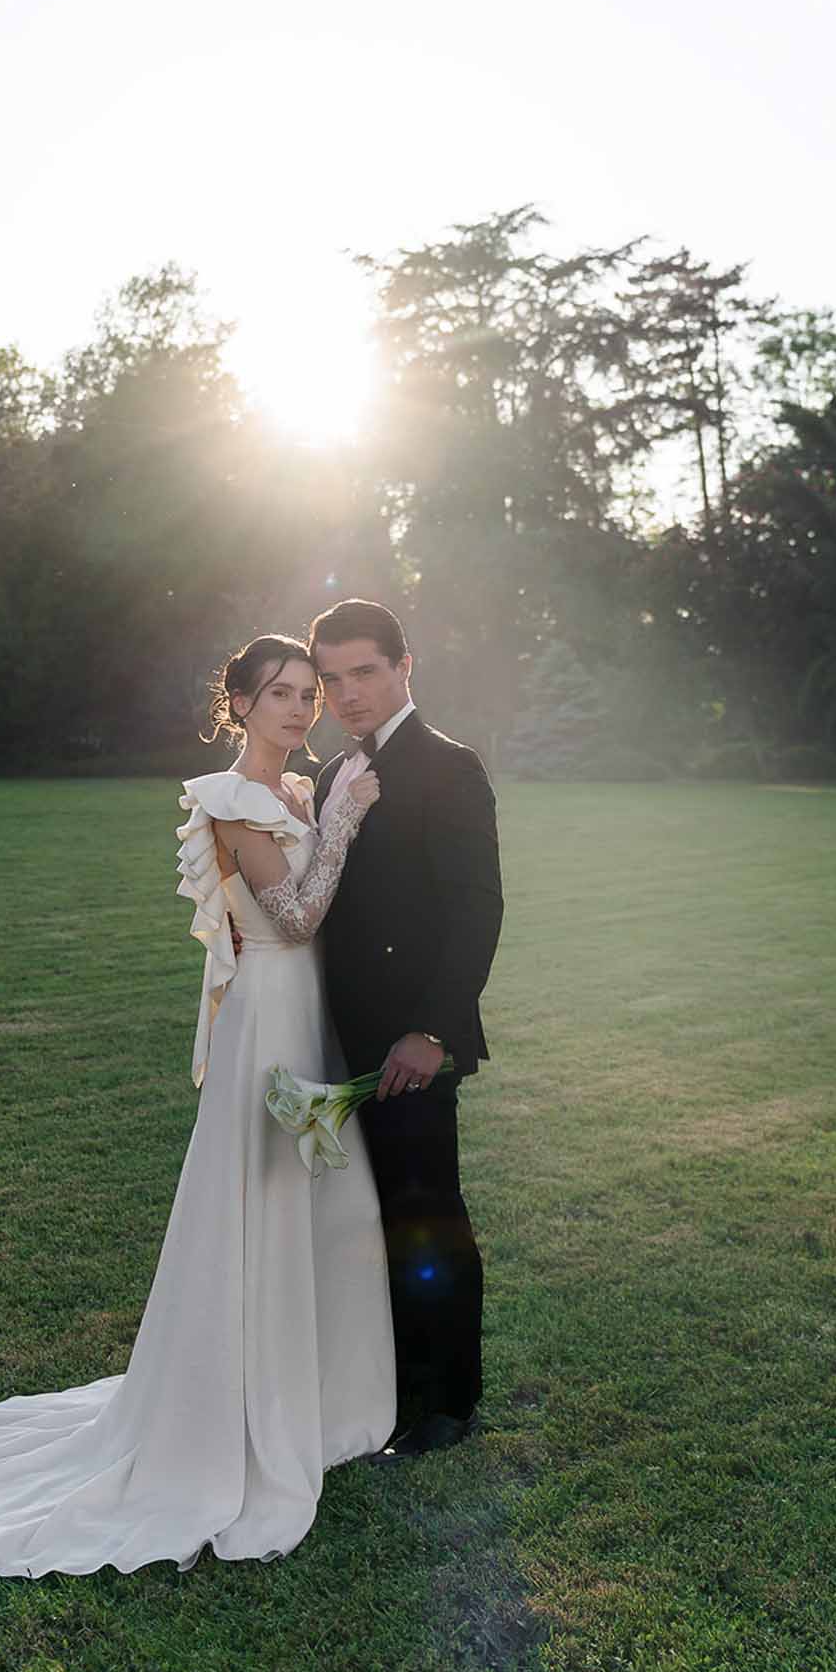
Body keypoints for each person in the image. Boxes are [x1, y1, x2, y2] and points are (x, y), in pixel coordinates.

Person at [0, 634, 395, 1576]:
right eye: (280, 693)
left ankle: (319, 1393)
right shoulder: (234, 800)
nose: (301, 709)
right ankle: (236, 1410)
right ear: (240, 704)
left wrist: (326, 811)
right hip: (270, 1019)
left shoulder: (298, 790)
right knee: (262, 1195)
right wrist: (341, 823)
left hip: (311, 1014)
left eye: (308, 693)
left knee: (326, 1201)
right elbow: (294, 918)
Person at [310, 599, 504, 1461]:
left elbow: (477, 907)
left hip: (411, 1043)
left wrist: (431, 1030)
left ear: (403, 667)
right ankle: (384, 1384)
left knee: (426, 1215)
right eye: (331, 679)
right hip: (339, 1033)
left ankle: (448, 1402)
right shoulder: (330, 774)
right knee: (365, 1217)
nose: (347, 693)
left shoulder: (449, 765)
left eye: (364, 672)